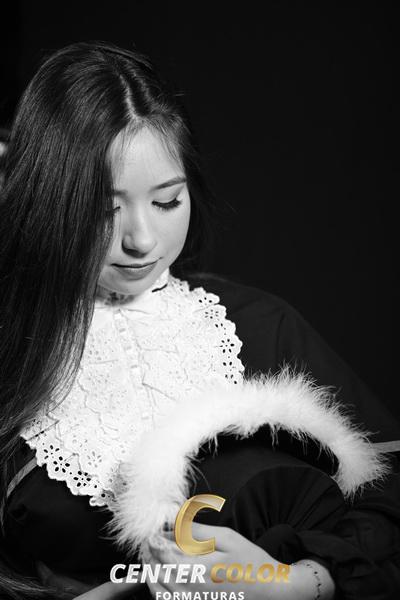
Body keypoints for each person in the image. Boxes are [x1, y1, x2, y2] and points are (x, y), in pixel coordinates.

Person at [0, 41, 399, 600]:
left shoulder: (257, 324)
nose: (141, 240)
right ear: (46, 200)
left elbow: (388, 507)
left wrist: (294, 584)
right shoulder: (13, 349)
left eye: (167, 201)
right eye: (103, 210)